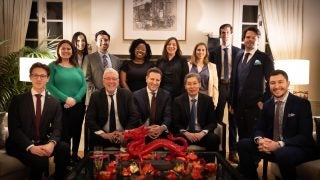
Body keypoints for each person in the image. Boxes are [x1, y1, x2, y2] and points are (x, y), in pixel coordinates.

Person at [237, 70, 317, 180]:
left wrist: (279, 144)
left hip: (299, 148)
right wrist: (259, 140)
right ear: (268, 85)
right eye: (273, 83)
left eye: (280, 82)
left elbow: (305, 136)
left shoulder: (302, 104)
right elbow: (258, 128)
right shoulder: (267, 105)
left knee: (283, 153)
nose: (277, 86)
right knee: (243, 144)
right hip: (272, 147)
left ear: (288, 84)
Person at [6, 62, 70, 180]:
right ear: (30, 77)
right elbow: (14, 130)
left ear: (48, 78)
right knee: (40, 162)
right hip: (20, 144)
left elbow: (57, 128)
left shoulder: (54, 102)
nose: (39, 79)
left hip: (42, 141)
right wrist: (31, 147)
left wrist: (51, 144)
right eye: (35, 75)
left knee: (64, 147)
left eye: (43, 76)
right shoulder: (18, 100)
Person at [46, 40, 87, 164]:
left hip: (77, 105)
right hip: (59, 106)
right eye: (63, 48)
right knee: (64, 133)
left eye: (68, 48)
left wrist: (75, 99)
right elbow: (49, 85)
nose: (66, 51)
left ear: (72, 51)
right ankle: (65, 159)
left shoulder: (77, 68)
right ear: (58, 50)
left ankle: (74, 155)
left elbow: (84, 86)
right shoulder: (52, 66)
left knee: (76, 131)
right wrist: (66, 99)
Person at [230, 26, 274, 139]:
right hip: (239, 107)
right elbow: (234, 82)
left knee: (254, 138)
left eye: (253, 37)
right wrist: (232, 103)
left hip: (255, 107)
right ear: (244, 39)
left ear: (258, 40)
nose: (250, 39)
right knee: (242, 138)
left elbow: (272, 82)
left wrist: (263, 100)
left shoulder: (264, 58)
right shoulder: (238, 56)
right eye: (247, 37)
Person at [209, 24, 242, 163]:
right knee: (217, 119)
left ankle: (233, 151)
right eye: (223, 32)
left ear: (231, 34)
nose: (225, 35)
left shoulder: (239, 52)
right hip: (220, 87)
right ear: (220, 34)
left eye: (228, 32)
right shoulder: (213, 51)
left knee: (233, 120)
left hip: (234, 88)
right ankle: (217, 150)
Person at [85, 68, 139, 150]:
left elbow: (134, 116)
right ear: (103, 81)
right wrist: (104, 134)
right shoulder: (95, 96)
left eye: (114, 79)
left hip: (123, 135)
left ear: (118, 81)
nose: (111, 82)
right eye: (108, 79)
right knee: (95, 143)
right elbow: (89, 119)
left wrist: (125, 133)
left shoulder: (127, 94)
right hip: (102, 136)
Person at [172, 73, 220, 151]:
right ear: (185, 86)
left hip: (202, 134)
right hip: (185, 134)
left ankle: (209, 163)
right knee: (177, 139)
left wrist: (202, 133)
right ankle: (180, 163)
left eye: (195, 83)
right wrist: (186, 133)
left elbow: (212, 122)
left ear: (199, 84)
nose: (192, 87)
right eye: (189, 84)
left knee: (213, 139)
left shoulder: (207, 100)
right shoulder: (178, 101)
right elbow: (175, 123)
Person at [133, 67, 171, 140]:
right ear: (146, 79)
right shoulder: (136, 95)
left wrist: (161, 128)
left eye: (157, 80)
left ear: (160, 81)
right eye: (152, 79)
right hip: (142, 132)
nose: (154, 82)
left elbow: (168, 116)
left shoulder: (166, 95)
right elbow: (136, 118)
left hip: (160, 133)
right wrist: (146, 130)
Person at [188, 42, 219, 108]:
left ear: (206, 52)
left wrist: (215, 102)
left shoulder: (212, 66)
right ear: (195, 51)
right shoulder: (188, 65)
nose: (201, 52)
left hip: (206, 97)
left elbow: (215, 87)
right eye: (198, 50)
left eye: (203, 50)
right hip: (191, 96)